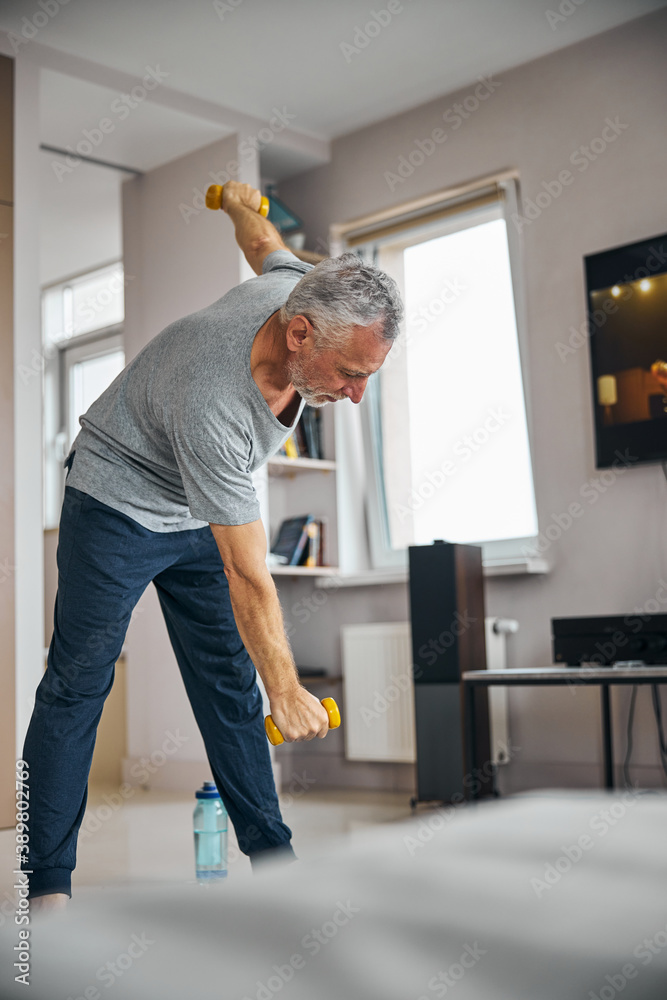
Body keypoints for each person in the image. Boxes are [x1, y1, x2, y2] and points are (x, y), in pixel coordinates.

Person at [21, 181, 403, 913]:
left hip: (189, 501)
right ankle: (47, 888)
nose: (354, 396)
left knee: (227, 682)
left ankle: (276, 862)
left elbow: (262, 244)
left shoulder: (298, 286)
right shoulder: (216, 398)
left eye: (366, 377)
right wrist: (286, 692)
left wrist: (234, 203)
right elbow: (248, 575)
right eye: (350, 375)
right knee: (76, 684)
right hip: (114, 500)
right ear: (298, 336)